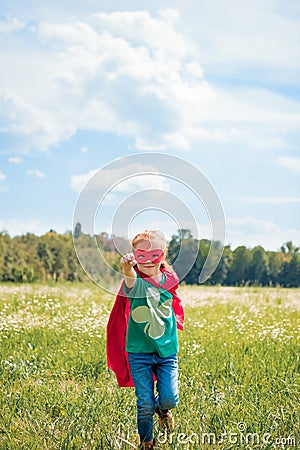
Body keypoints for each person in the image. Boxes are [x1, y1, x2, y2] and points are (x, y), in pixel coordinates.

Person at [117, 230, 184, 450]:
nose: (147, 260)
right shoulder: (135, 284)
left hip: (166, 352)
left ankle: (163, 410)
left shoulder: (170, 279)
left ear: (163, 254)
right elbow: (130, 277)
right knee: (144, 403)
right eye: (141, 255)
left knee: (169, 399)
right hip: (139, 352)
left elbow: (173, 299)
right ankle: (147, 442)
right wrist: (127, 267)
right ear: (135, 256)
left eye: (153, 254)